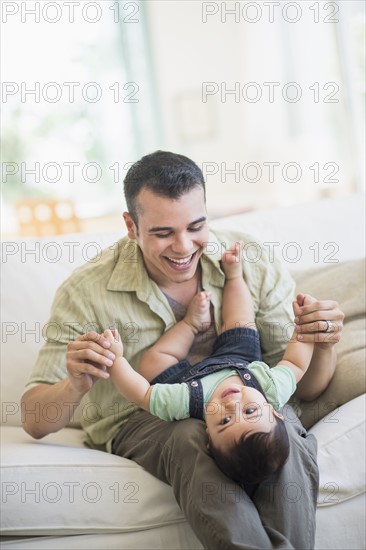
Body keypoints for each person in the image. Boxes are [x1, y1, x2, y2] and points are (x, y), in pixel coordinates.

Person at [21, 151, 344, 550]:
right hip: (143, 415)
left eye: (196, 226)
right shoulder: (85, 292)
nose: (184, 246)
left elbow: (304, 385)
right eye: (163, 233)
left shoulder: (247, 260)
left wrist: (322, 340)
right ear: (131, 226)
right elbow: (35, 420)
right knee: (191, 434)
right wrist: (74, 382)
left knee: (280, 435)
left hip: (245, 395)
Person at [104, 241, 332, 488]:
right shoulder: (271, 390)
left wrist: (116, 360)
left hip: (187, 378)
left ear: (208, 437)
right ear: (275, 411)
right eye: (250, 411)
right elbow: (295, 363)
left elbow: (142, 393)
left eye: (224, 421)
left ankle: (191, 324)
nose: (232, 405)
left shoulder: (184, 403)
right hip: (240, 358)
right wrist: (302, 327)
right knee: (241, 321)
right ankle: (234, 277)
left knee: (153, 363)